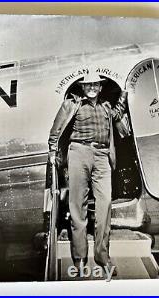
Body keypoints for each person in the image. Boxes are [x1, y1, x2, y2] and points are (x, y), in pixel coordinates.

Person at [48, 72, 128, 277]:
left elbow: (119, 113)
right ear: (83, 88)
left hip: (102, 156)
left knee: (105, 204)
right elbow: (56, 130)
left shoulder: (107, 106)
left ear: (100, 87)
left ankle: (102, 256)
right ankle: (80, 258)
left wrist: (125, 94)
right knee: (77, 207)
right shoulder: (72, 104)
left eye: (96, 84)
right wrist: (52, 151)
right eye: (88, 85)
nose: (92, 87)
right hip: (78, 153)